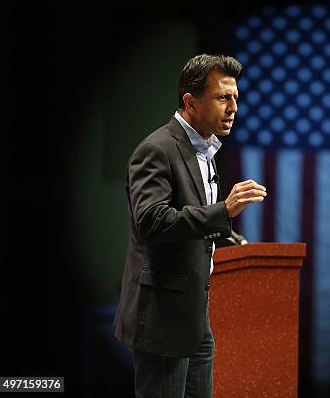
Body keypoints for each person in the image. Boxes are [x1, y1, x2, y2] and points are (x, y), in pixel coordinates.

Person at [113, 54, 267, 398]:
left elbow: (194, 220)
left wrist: (235, 241)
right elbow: (152, 220)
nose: (233, 108)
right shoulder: (156, 150)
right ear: (190, 101)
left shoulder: (204, 150)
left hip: (195, 315)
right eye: (223, 97)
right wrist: (223, 210)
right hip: (163, 318)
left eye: (236, 98)